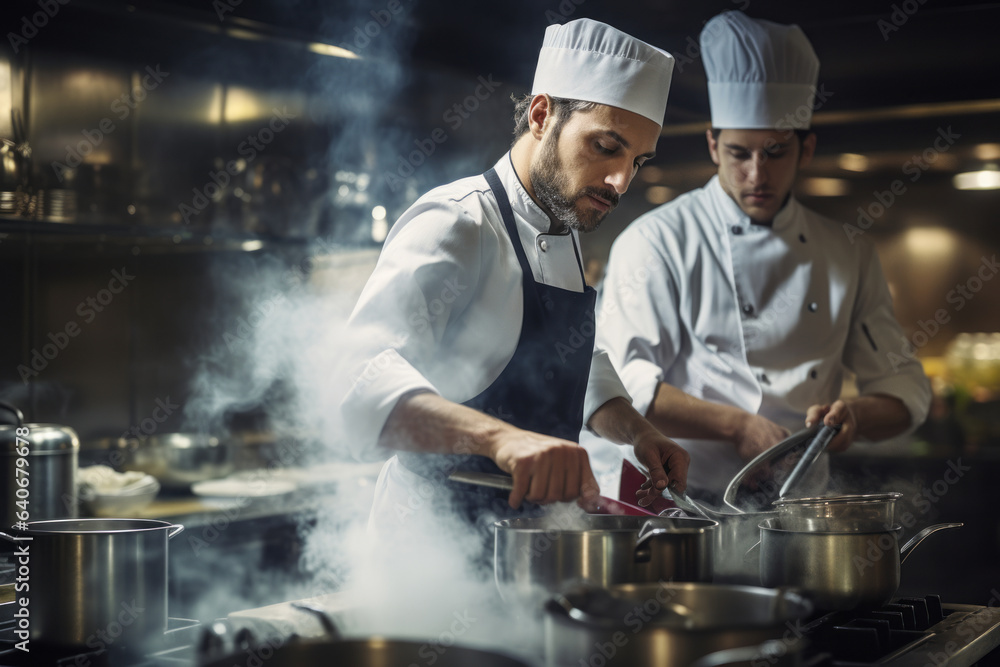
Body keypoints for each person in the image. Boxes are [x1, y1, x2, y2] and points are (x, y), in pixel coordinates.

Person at [340, 19, 690, 542]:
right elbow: (356, 381)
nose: (621, 181)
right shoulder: (458, 221)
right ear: (542, 115)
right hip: (431, 549)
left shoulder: (564, 226)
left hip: (531, 543)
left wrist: (636, 431)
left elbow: (568, 361)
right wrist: (499, 439)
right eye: (605, 146)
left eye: (637, 161)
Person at [595, 10, 931, 503]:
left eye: (775, 152)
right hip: (679, 504)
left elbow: (906, 389)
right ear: (713, 145)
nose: (757, 174)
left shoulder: (849, 252)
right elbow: (621, 387)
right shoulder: (656, 241)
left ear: (806, 149)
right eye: (739, 153)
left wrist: (856, 416)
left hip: (795, 506)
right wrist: (737, 426)